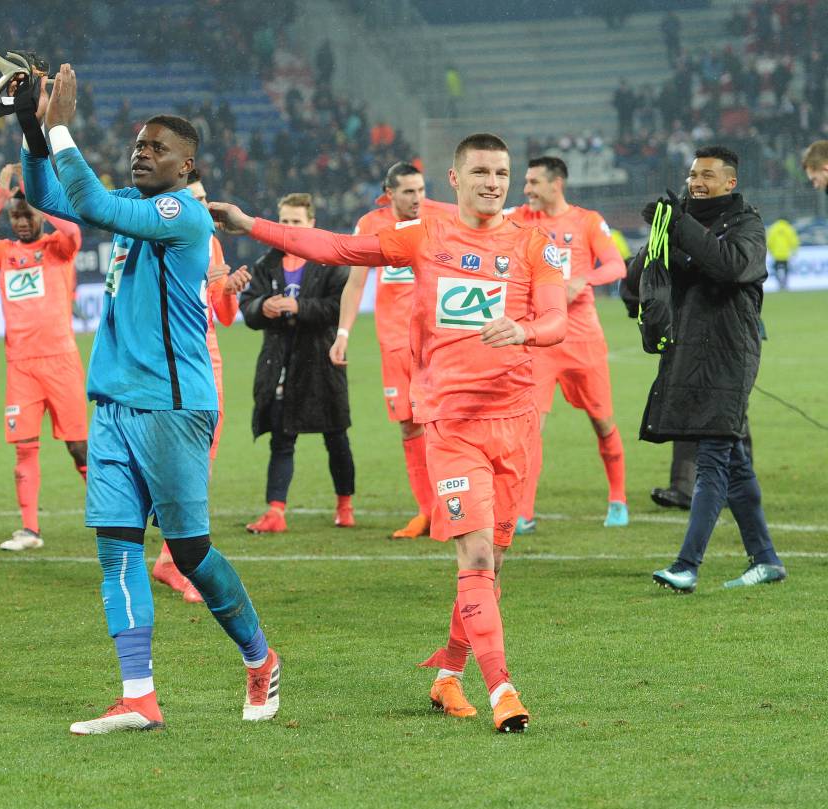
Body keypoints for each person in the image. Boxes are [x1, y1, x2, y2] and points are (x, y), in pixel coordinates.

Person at [211, 133, 568, 732]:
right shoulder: (425, 235)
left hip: (515, 423)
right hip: (451, 425)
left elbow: (556, 318)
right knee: (477, 554)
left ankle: (448, 674)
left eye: (501, 173)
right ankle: (503, 690)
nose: (493, 183)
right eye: (480, 172)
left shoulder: (535, 245)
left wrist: (524, 331)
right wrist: (252, 225)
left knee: (492, 568)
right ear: (454, 179)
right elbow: (336, 247)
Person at [15, 62, 280, 733]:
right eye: (138, 144)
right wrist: (30, 128)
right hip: (113, 406)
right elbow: (49, 197)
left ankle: (260, 657)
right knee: (116, 549)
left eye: (157, 148)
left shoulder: (182, 214)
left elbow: (95, 206)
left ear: (187, 165)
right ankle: (139, 695)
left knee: (190, 553)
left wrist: (61, 127)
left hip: (171, 405)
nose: (141, 153)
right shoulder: (137, 210)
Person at [630, 146, 785, 592]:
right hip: (687, 354)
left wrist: (680, 225)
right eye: (694, 174)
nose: (697, 182)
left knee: (713, 460)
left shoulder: (747, 224)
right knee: (734, 463)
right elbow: (637, 279)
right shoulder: (680, 222)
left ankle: (687, 565)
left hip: (729, 355)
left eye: (708, 175)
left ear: (730, 182)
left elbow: (730, 266)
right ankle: (766, 559)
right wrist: (660, 233)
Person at [0, 163, 87, 551]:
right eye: (15, 216)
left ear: (40, 216)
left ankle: (116, 513)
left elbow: (73, 232)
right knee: (25, 447)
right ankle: (30, 530)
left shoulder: (56, 249)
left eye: (26, 215)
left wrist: (43, 200)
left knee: (78, 447)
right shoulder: (5, 253)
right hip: (21, 367)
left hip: (60, 360)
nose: (20, 222)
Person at [331, 162, 454, 539]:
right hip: (395, 344)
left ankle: (455, 508)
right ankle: (427, 512)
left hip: (439, 340)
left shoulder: (442, 217)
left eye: (421, 190)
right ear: (389, 194)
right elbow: (355, 283)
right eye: (409, 192)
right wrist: (343, 333)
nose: (418, 198)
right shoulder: (371, 225)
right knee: (408, 424)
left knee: (446, 423)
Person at [506, 156, 629, 533]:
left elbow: (617, 265)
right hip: (539, 338)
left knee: (602, 421)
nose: (526, 189)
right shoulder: (519, 218)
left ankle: (618, 499)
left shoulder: (587, 221)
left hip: (581, 338)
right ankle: (524, 511)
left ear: (556, 184)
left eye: (533, 182)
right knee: (531, 427)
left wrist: (584, 280)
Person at [151, 169, 251, 602]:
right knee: (174, 461)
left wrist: (228, 289)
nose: (203, 207)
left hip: (207, 356)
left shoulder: (211, 241)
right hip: (170, 356)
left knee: (202, 461)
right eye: (194, 200)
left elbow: (223, 315)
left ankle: (171, 559)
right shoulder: (158, 240)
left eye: (205, 198)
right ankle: (169, 558)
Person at [239, 192, 354, 534]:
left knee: (336, 436)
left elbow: (339, 306)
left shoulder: (330, 261)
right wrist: (262, 307)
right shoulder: (266, 264)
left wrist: (299, 307)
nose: (289, 227)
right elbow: (248, 308)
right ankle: (276, 511)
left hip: (322, 362)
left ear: (311, 224)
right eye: (284, 221)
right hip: (280, 363)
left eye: (296, 222)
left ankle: (344, 505)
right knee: (281, 438)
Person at [766, 218, 799, 291]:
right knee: (786, 268)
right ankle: (785, 283)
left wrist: (770, 250)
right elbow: (793, 240)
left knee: (776, 268)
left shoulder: (773, 228)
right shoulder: (788, 228)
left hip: (776, 254)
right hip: (786, 254)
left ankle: (779, 283)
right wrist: (794, 251)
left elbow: (769, 241)